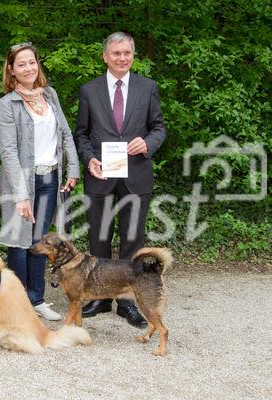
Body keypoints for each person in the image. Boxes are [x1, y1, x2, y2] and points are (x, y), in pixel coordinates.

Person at [74, 32, 167, 328]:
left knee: (132, 240)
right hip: (100, 175)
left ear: (133, 55)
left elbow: (159, 128)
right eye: (116, 53)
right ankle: (100, 296)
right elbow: (82, 134)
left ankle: (127, 302)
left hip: (135, 174)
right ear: (105, 56)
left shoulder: (147, 87)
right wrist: (89, 159)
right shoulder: (89, 90)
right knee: (99, 236)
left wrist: (148, 143)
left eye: (127, 53)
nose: (122, 58)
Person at [0, 42, 80, 321]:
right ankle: (18, 302)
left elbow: (66, 134)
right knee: (19, 242)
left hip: (50, 179)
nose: (28, 68)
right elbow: (8, 152)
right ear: (11, 70)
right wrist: (21, 195)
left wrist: (73, 168)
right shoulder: (7, 105)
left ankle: (37, 298)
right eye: (21, 64)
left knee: (39, 241)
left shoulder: (50, 95)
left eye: (32, 62)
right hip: (22, 183)